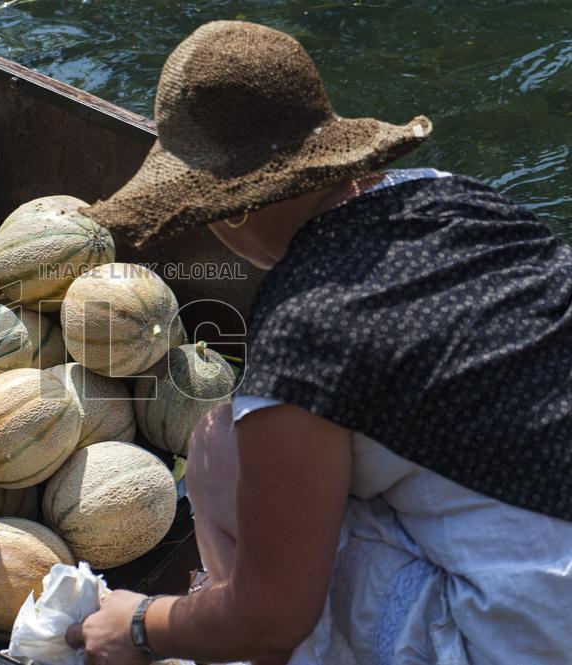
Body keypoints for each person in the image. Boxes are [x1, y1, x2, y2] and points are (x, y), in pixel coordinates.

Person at [65, 20, 572, 665]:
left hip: (530, 635)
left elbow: (270, 616)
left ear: (235, 209)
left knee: (221, 453)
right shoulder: (465, 202)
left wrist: (141, 625)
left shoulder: (305, 332)